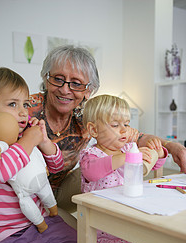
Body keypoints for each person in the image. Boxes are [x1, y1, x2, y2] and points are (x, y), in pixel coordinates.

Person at [29, 44, 186, 214]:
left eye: (76, 83)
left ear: (88, 90)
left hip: (62, 190)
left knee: (99, 170)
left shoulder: (86, 114)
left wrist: (170, 146)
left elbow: (135, 136)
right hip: (26, 195)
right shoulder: (26, 110)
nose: (65, 89)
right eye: (58, 79)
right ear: (46, 79)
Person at [0, 67, 77, 243]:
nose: (23, 113)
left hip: (41, 221)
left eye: (25, 104)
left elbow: (56, 166)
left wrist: (44, 142)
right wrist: (27, 141)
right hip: (6, 236)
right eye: (12, 104)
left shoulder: (23, 137)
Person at [79, 94, 168, 243]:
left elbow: (149, 165)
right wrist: (122, 157)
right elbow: (93, 173)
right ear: (94, 130)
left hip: (122, 224)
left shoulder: (128, 148)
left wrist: (159, 153)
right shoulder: (92, 155)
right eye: (115, 124)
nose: (124, 130)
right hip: (100, 228)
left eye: (126, 124)